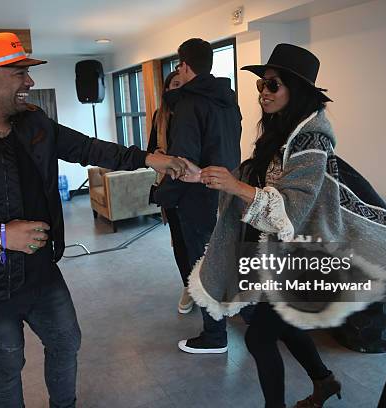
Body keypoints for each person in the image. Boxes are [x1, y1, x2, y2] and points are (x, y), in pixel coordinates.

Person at [0, 32, 190, 408]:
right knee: (7, 361)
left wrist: (150, 158)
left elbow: (86, 147)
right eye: (19, 72)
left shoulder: (34, 122)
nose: (30, 81)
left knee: (66, 341)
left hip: (40, 271)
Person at [183, 43, 386, 407]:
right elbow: (264, 182)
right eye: (261, 85)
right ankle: (324, 382)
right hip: (278, 254)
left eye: (272, 85)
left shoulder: (312, 140)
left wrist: (235, 186)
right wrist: (221, 177)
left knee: (259, 339)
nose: (263, 92)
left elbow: (291, 208)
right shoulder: (280, 133)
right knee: (285, 326)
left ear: (298, 89)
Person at [152, 38, 242, 354]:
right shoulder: (229, 101)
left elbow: (182, 160)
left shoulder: (190, 103)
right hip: (228, 190)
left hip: (196, 197)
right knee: (221, 259)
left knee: (201, 266)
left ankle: (214, 336)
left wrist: (164, 195)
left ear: (186, 65)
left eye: (179, 65)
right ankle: (228, 318)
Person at [146, 71, 196, 314]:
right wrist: (160, 154)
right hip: (170, 185)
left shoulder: (197, 111)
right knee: (179, 242)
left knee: (199, 240)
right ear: (166, 89)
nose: (179, 88)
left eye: (183, 84)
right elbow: (150, 153)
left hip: (197, 187)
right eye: (174, 84)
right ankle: (188, 285)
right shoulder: (160, 116)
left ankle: (207, 286)